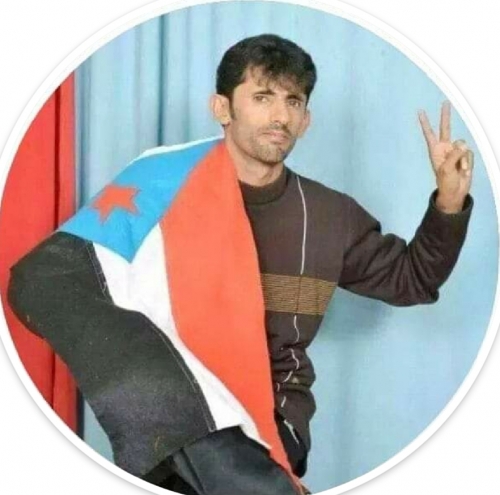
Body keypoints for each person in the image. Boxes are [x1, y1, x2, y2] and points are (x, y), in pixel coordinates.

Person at [8, 35, 473, 495]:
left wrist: (449, 202)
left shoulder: (330, 215)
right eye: (262, 97)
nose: (280, 116)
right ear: (222, 108)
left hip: (273, 421)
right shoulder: (160, 183)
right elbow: (51, 277)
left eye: (293, 101)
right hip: (175, 416)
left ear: (306, 120)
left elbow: (414, 279)